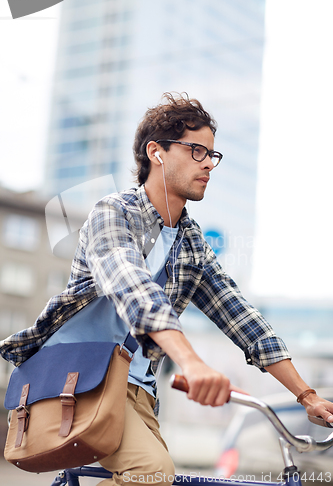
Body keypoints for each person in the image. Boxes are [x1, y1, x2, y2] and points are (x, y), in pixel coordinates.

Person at [1, 93, 333, 486]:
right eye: (196, 151)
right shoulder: (113, 212)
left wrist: (307, 395)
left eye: (213, 155)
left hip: (138, 393)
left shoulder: (191, 243)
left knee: (156, 478)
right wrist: (191, 363)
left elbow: (243, 319)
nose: (209, 163)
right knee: (151, 474)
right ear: (156, 152)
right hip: (76, 381)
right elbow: (134, 289)